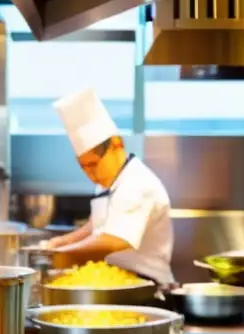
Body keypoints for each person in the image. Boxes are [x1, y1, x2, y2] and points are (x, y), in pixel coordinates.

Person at [45, 88, 174, 285]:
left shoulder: (137, 183)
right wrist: (63, 241)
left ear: (116, 144)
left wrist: (63, 254)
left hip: (146, 285)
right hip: (113, 279)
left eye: (94, 164)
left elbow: (113, 239)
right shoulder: (110, 180)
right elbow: (96, 225)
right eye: (84, 167)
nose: (91, 174)